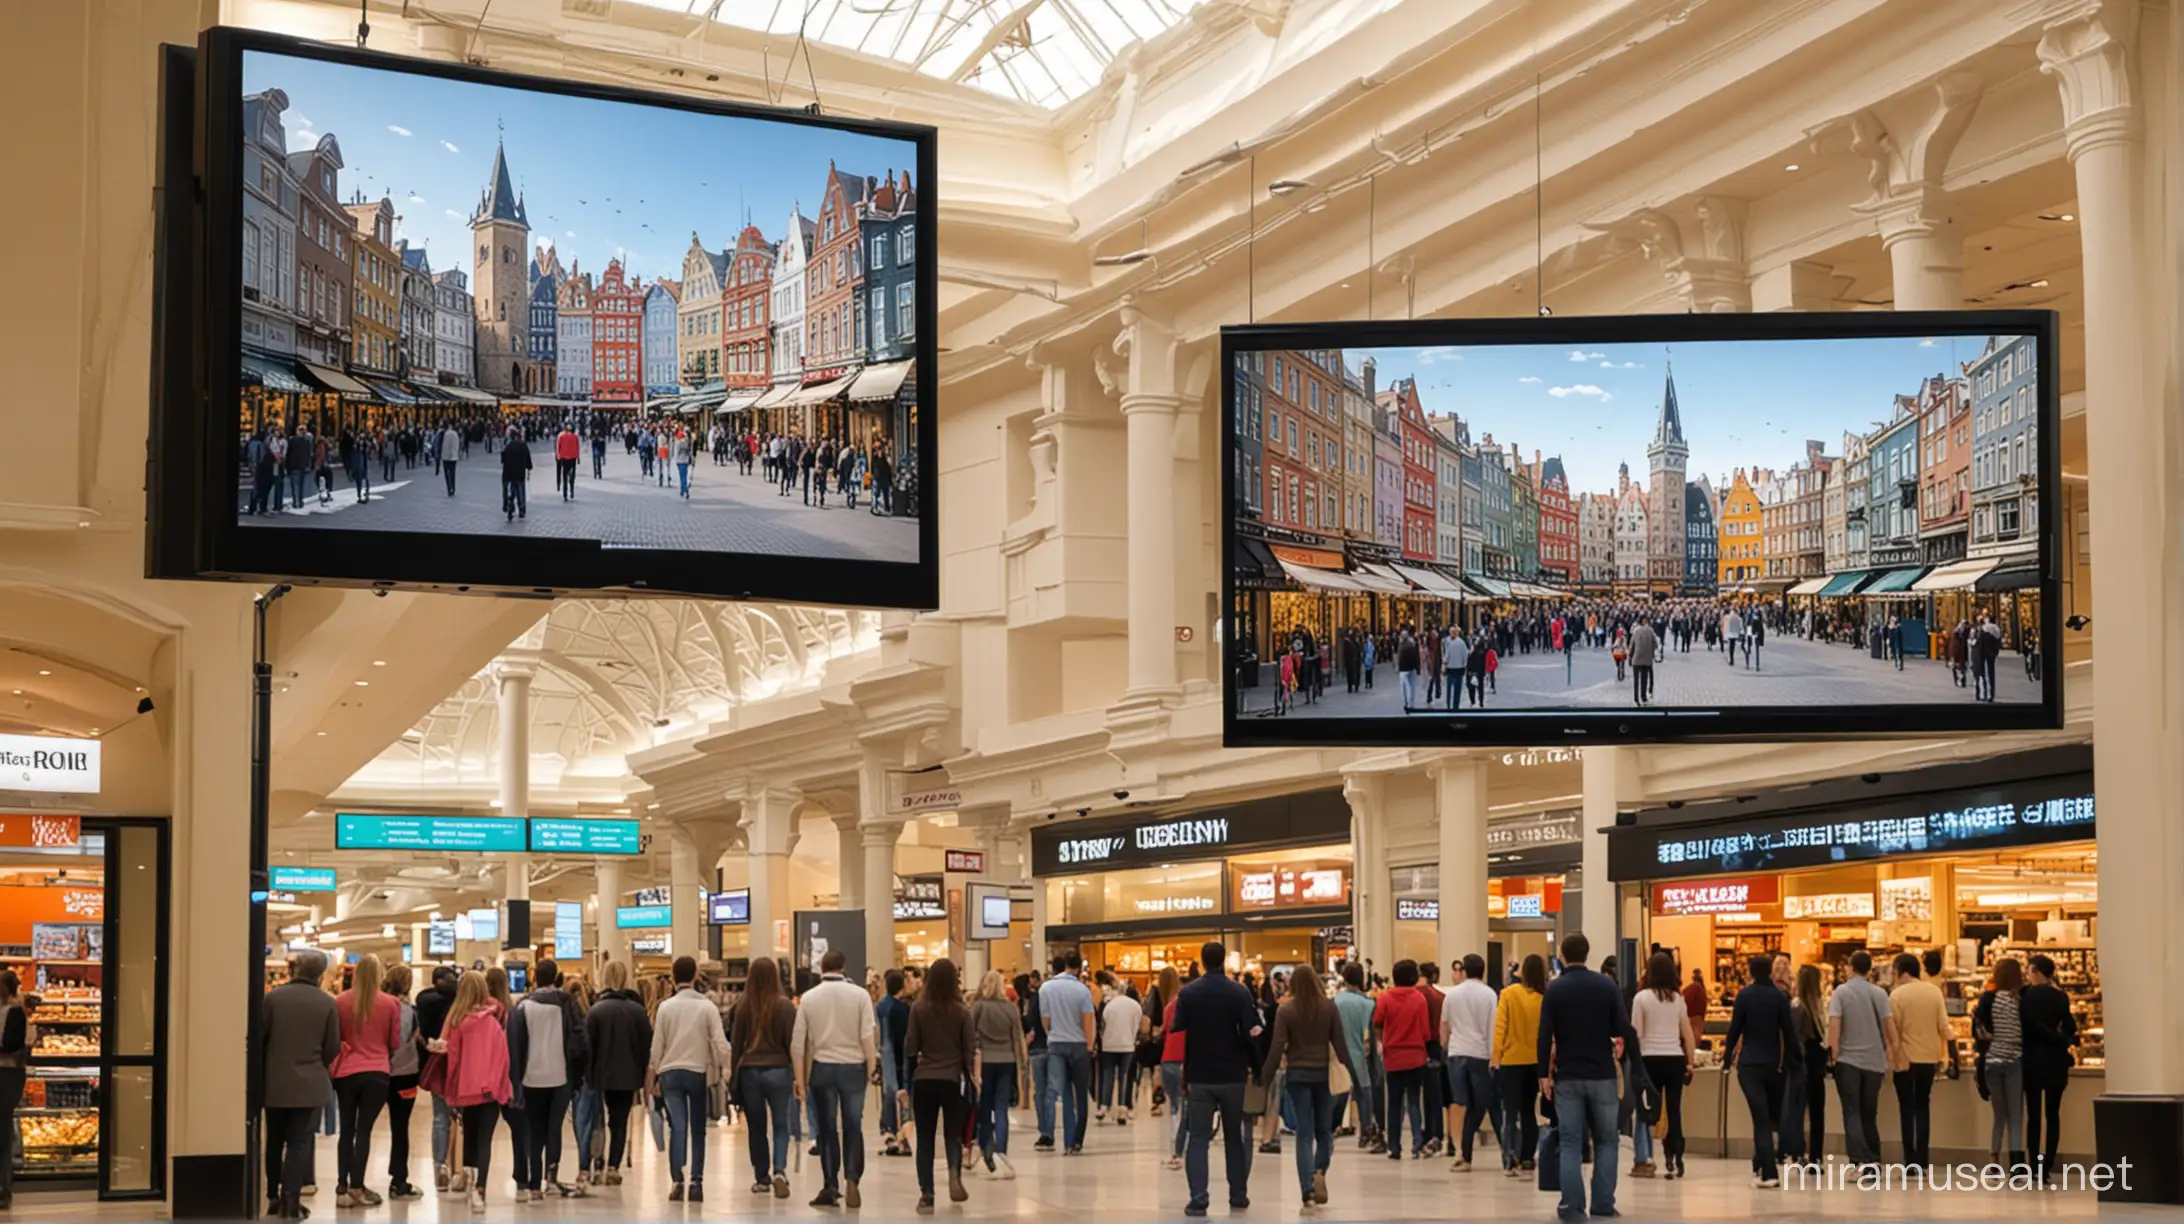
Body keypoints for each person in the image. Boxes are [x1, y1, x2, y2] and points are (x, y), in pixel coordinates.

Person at [1537, 933, 1635, 1223]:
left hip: (1568, 1075)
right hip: (1602, 1073)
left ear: (1563, 955)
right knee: (1607, 1140)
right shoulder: (1606, 986)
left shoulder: (1555, 989)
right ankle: (1603, 1204)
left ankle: (1572, 1207)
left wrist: (1543, 1073)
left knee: (1570, 1141)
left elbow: (1544, 1034)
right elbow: (1621, 1027)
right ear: (1588, 953)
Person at [1170, 940, 1263, 1217]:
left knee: (1197, 1138)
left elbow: (1178, 1026)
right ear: (1223, 961)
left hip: (1200, 1075)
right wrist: (1256, 1068)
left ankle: (1198, 1199)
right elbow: (1251, 1031)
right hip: (1232, 1075)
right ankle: (1238, 1194)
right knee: (1234, 1137)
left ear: (1201, 962)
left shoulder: (1189, 993)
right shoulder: (1239, 992)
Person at [1261, 964, 1358, 1212]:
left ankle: (1307, 1193)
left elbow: (1277, 1046)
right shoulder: (1328, 1007)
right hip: (1323, 1075)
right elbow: (1340, 1045)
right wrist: (1355, 1074)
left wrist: (1265, 1076)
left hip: (1298, 1076)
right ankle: (1319, 1169)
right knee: (1324, 1130)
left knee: (1304, 1133)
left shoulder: (1286, 1011)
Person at [792, 949, 879, 1208]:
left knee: (828, 1128)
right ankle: (852, 1178)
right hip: (853, 1067)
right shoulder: (860, 995)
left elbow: (798, 1044)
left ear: (822, 967)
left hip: (823, 1068)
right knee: (853, 1123)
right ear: (844, 967)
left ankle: (830, 1185)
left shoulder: (808, 998)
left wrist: (800, 1080)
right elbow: (867, 1037)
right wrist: (872, 1068)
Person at [262, 950, 341, 1219]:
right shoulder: (327, 1003)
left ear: (295, 970)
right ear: (320, 976)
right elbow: (332, 1048)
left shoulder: (272, 999)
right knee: (298, 1144)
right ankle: (291, 1201)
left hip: (275, 1084)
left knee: (274, 1141)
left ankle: (271, 1196)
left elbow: (261, 1039)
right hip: (310, 1086)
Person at [653, 955, 735, 1201]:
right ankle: (696, 1183)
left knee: (677, 1126)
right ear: (695, 974)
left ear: (673, 976)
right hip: (697, 1073)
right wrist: (727, 1069)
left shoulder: (665, 1008)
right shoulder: (707, 1006)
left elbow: (657, 1046)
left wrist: (653, 1074)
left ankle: (677, 1181)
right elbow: (721, 1043)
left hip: (670, 1073)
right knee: (698, 1129)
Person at [507, 959, 587, 1199]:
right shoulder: (567, 1004)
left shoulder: (522, 1007)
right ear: (555, 978)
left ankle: (533, 1185)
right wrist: (578, 1076)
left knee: (534, 1130)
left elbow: (514, 1047)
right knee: (554, 1128)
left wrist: (515, 1080)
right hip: (560, 1076)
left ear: (534, 978)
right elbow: (581, 1040)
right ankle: (551, 1179)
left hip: (531, 1077)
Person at [904, 958, 977, 1215]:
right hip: (952, 1080)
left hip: (924, 1079)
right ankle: (954, 1173)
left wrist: (907, 1081)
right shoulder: (961, 1010)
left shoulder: (919, 1008)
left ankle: (927, 1195)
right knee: (952, 1135)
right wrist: (971, 1080)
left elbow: (910, 1047)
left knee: (924, 1139)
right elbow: (970, 1048)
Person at [436, 970, 511, 1216]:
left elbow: (452, 1060)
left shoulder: (457, 1022)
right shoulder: (493, 1023)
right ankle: (480, 1189)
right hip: (489, 1090)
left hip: (465, 1090)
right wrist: (503, 1088)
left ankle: (468, 1178)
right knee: (484, 1140)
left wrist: (451, 1091)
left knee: (468, 1135)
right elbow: (503, 1059)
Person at [331, 952, 401, 1209]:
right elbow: (394, 1042)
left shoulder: (340, 1003)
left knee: (346, 1129)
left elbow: (335, 1038)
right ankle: (357, 1186)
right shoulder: (390, 1003)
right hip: (377, 1073)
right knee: (364, 1131)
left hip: (346, 1073)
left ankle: (341, 1187)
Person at [1723, 952, 1796, 1188]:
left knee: (1760, 1118)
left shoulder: (1744, 996)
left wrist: (1726, 1059)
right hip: (1774, 1065)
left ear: (1751, 972)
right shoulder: (1779, 997)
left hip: (1750, 1065)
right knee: (1769, 1118)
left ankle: (1768, 1172)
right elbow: (1788, 1032)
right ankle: (1761, 1166)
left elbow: (1735, 1030)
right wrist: (1793, 1060)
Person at [583, 960, 650, 1189]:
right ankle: (613, 1166)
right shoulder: (638, 1011)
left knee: (596, 1121)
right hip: (628, 1076)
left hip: (599, 1076)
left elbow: (587, 1047)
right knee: (619, 1121)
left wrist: (586, 1076)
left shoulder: (596, 1011)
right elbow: (646, 1047)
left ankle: (594, 1162)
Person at [1826, 950, 1896, 1170]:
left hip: (1848, 1061)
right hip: (1874, 1062)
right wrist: (1891, 1056)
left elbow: (1835, 1026)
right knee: (1869, 1112)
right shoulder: (1880, 994)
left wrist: (1833, 1055)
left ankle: (1861, 1160)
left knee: (1852, 1111)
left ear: (1850, 967)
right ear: (1869, 970)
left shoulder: (1841, 993)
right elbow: (1889, 1028)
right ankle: (1874, 1157)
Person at [1631, 952, 1695, 1180]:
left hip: (1650, 1060)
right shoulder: (1678, 1000)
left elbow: (1636, 1033)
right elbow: (1687, 1034)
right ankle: (1675, 1157)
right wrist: (1690, 1062)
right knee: (1674, 1111)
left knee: (1648, 1112)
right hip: (1674, 1059)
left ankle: (1645, 1156)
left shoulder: (1641, 999)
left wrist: (1634, 1062)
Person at [1890, 952, 1951, 1171]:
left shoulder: (1897, 996)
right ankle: (1923, 1161)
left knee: (1906, 1110)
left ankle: (1911, 1161)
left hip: (1905, 1059)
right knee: (1922, 1106)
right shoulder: (1934, 992)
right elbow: (1944, 1026)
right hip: (1929, 1058)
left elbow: (1892, 1031)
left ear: (1900, 970)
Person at [2020, 953, 2078, 1185]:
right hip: (2056, 1061)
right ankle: (2048, 1164)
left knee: (2033, 1115)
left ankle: (2033, 1163)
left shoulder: (2025, 996)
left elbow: (2028, 1028)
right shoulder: (2060, 997)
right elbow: (2070, 1026)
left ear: (2035, 971)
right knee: (2053, 1115)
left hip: (2032, 1061)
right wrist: (2061, 1038)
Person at [1440, 954, 1498, 1172]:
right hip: (1480, 1055)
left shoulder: (1451, 995)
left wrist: (1446, 1048)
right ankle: (1466, 1146)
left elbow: (1443, 1027)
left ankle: (1461, 1151)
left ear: (1464, 971)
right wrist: (1494, 1057)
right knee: (1480, 1104)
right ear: (1483, 971)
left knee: (1459, 1103)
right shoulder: (1489, 995)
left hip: (1456, 1054)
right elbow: (1492, 1028)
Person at [1489, 954, 1545, 1177]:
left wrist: (1496, 1057)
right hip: (1535, 1061)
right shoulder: (1544, 997)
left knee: (1509, 1112)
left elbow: (1500, 1027)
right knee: (1529, 1111)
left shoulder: (1508, 994)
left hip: (1511, 1061)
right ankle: (1528, 1157)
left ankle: (1509, 1158)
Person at [1371, 959, 1432, 1161]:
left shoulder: (1385, 998)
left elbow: (1377, 1022)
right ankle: (1416, 1144)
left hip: (1393, 1056)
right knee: (1414, 1101)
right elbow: (1425, 1031)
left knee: (1394, 1103)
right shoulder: (1419, 999)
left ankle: (1394, 1146)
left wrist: (1383, 1041)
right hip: (1416, 1056)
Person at [971, 970, 1029, 1180]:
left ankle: (988, 1150)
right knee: (1002, 1107)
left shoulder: (979, 1007)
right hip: (1007, 1061)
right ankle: (1002, 1150)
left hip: (984, 1061)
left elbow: (970, 1033)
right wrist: (1022, 1063)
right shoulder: (1010, 1008)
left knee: (985, 1107)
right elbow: (1017, 1036)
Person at [1035, 952, 1095, 1154]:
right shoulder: (1082, 990)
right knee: (1079, 1094)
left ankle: (1055, 1135)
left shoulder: (1046, 988)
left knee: (1061, 1091)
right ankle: (1075, 1141)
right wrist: (1089, 1045)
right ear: (1078, 968)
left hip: (1056, 1043)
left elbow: (1045, 1018)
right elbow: (1087, 1019)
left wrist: (1051, 1034)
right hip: (1078, 1043)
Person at [1974, 956, 2027, 1172]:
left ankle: (1994, 1159)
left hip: (1992, 1059)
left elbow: (1978, 1029)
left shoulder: (1989, 999)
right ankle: (2016, 1164)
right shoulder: (2021, 999)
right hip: (2014, 1058)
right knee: (2016, 1115)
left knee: (1999, 1115)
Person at [413, 965, 461, 1192]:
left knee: (440, 1118)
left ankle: (439, 1166)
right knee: (462, 1121)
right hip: (461, 1065)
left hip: (436, 1065)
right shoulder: (461, 1005)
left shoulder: (423, 1002)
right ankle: (460, 1169)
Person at [382, 964, 424, 1200]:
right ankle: (398, 1180)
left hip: (378, 1073)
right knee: (400, 1128)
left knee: (361, 1128)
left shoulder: (375, 1006)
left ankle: (353, 1181)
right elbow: (403, 1040)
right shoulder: (408, 1011)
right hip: (405, 1074)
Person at [1791, 965, 1829, 1167]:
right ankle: (1816, 1156)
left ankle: (1799, 1152)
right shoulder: (1819, 1010)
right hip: (1817, 1068)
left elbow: (1795, 1038)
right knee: (1817, 1112)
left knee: (1798, 1111)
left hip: (1801, 1066)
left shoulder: (1797, 1007)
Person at [1096, 974, 1144, 1124]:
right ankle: (1123, 1107)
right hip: (1127, 1044)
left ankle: (1104, 1105)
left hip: (1109, 1045)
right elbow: (1137, 1026)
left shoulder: (1109, 1005)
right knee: (1124, 1076)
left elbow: (1103, 1025)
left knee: (1108, 1074)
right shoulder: (1135, 1006)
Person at [879, 970, 914, 1157]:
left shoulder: (880, 1006)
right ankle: (903, 1135)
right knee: (903, 1095)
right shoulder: (903, 1009)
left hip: (885, 1056)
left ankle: (888, 1131)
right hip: (900, 1058)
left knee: (887, 1093)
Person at [499, 425, 532, 521]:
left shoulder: (508, 446)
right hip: (520, 472)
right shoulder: (523, 445)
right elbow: (528, 458)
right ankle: (521, 509)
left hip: (510, 472)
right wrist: (529, 467)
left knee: (512, 490)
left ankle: (510, 504)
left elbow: (503, 460)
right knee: (521, 491)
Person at [1629, 618, 1659, 706]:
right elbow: (1655, 644)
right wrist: (1651, 652)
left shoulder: (1636, 631)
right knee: (1644, 680)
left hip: (1636, 658)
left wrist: (1629, 657)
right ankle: (1643, 697)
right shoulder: (1650, 631)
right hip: (1647, 659)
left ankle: (1636, 698)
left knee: (1636, 680)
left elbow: (1632, 645)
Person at [555, 421, 580, 500]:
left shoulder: (561, 436)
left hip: (564, 458)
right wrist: (578, 457)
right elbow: (577, 447)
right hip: (573, 458)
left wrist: (559, 456)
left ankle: (565, 494)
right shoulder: (575, 437)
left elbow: (558, 447)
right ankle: (572, 491)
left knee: (564, 476)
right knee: (572, 476)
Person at [439, 424, 462, 496]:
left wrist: (443, 456)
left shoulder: (445, 435)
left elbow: (445, 446)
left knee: (446, 473)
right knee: (453, 473)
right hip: (454, 457)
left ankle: (449, 488)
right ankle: (453, 487)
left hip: (446, 457)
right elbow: (458, 444)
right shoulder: (455, 434)